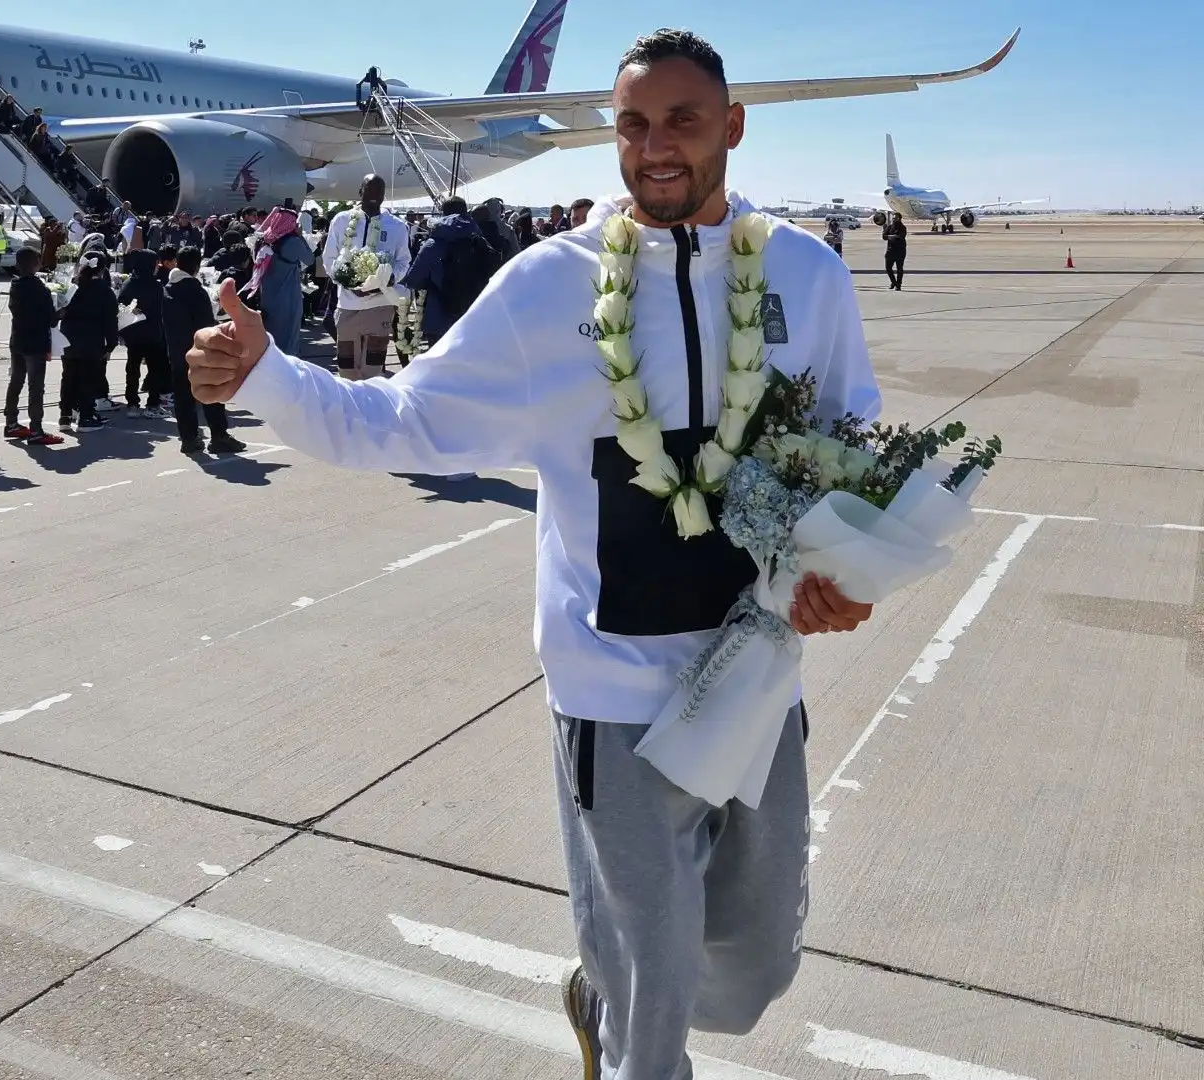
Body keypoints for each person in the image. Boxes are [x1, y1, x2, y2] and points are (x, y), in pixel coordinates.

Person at [187, 29, 882, 1080]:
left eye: (683, 121)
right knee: (655, 1000)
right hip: (613, 698)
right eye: (634, 124)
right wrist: (265, 374)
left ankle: (599, 987)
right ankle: (622, 1020)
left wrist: (846, 575)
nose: (655, 147)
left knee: (752, 971)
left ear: (732, 127)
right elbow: (396, 422)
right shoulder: (548, 289)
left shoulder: (808, 275)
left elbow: (854, 446)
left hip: (754, 676)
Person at [319, 174, 412, 380]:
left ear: (384, 195)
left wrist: (389, 279)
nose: (374, 196)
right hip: (348, 306)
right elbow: (329, 258)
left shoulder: (396, 225)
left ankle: (371, 409)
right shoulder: (342, 220)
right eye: (369, 190)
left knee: (373, 369)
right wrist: (346, 281)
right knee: (347, 368)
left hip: (380, 307)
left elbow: (404, 261)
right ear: (360, 191)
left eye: (379, 191)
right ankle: (349, 408)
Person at [158, 246, 244, 455]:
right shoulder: (195, 291)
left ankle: (188, 438)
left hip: (177, 351)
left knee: (183, 397)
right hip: (201, 352)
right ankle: (219, 436)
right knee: (211, 393)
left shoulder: (168, 287)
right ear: (196, 267)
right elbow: (206, 325)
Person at [398, 195, 502, 353]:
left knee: (441, 369)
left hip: (439, 320)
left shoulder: (433, 243)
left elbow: (413, 280)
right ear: (466, 212)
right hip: (474, 318)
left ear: (443, 214)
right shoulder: (479, 240)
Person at [5, 247, 64, 445]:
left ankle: (11, 422)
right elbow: (50, 320)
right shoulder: (40, 289)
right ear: (37, 263)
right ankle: (36, 430)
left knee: (16, 381)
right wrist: (62, 311)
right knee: (36, 387)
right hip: (35, 342)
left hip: (17, 339)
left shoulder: (15, 285)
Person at [58, 251, 117, 431]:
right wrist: (111, 344)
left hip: (67, 337)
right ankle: (85, 417)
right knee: (88, 378)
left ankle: (65, 417)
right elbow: (110, 320)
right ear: (103, 269)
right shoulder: (104, 291)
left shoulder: (72, 286)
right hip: (91, 340)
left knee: (68, 377)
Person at [241, 206, 310, 356]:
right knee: (289, 334)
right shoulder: (292, 241)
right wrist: (300, 236)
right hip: (289, 296)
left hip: (267, 295)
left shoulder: (262, 240)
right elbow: (309, 260)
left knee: (271, 333)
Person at [116, 248, 168, 415]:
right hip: (153, 333)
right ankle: (153, 403)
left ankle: (132, 402)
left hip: (134, 332)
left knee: (132, 367)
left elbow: (121, 305)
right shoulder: (155, 285)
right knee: (154, 369)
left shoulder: (129, 283)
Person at [882, 211, 908, 290]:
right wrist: (886, 232)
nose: (893, 219)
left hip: (900, 251)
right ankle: (893, 282)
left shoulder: (903, 227)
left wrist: (889, 236)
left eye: (895, 218)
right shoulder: (889, 227)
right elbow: (884, 237)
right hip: (890, 250)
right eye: (893, 218)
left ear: (899, 219)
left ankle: (898, 285)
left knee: (899, 269)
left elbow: (900, 236)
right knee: (888, 268)